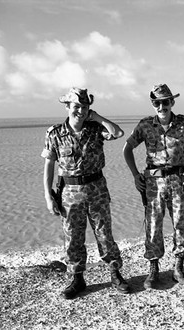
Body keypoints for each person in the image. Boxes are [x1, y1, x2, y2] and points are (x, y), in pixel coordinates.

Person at [42, 87, 131, 299]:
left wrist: (96, 116)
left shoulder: (95, 129)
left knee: (104, 234)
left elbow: (118, 133)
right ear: (67, 107)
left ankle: (115, 273)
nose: (80, 111)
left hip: (97, 190)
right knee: (73, 238)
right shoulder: (54, 133)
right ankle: (77, 279)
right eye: (76, 107)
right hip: (69, 193)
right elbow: (49, 165)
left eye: (84, 107)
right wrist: (48, 195)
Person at [123, 84, 184, 289]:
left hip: (178, 181)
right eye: (157, 103)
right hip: (153, 184)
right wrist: (135, 175)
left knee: (180, 224)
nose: (161, 106)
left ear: (172, 102)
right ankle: (154, 269)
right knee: (153, 225)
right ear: (153, 104)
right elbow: (127, 148)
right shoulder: (144, 125)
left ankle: (178, 268)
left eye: (165, 102)